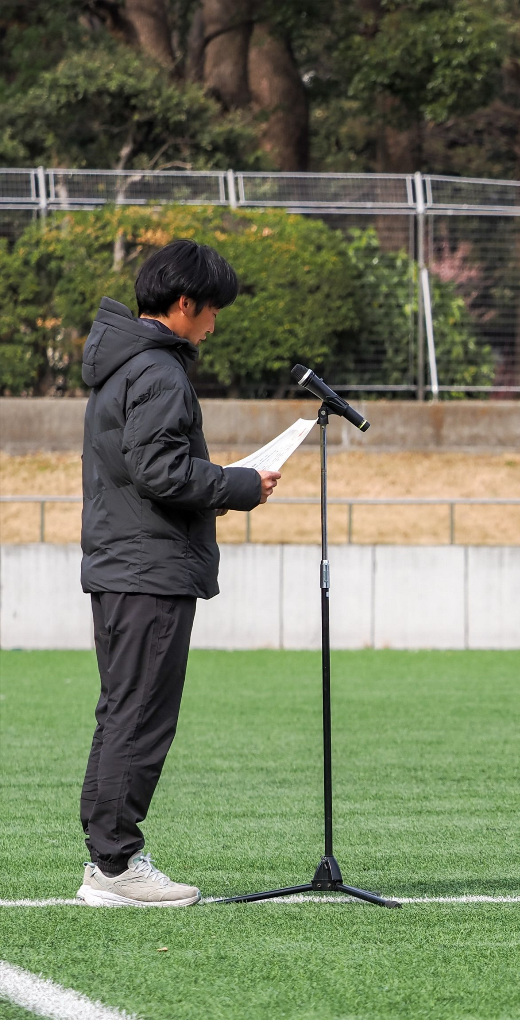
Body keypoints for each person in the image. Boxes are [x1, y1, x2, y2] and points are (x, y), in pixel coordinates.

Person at [76, 239, 280, 907]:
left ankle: (109, 860)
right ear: (184, 303)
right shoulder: (158, 370)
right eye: (212, 309)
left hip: (122, 563)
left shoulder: (121, 363)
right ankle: (115, 866)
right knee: (139, 716)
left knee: (123, 712)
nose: (215, 323)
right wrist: (240, 483)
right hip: (149, 567)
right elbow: (161, 471)